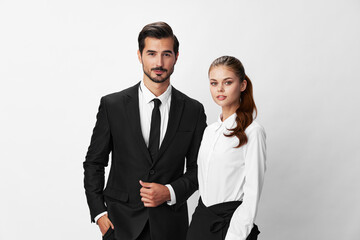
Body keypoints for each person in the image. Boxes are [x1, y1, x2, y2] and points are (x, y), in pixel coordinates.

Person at [83, 21, 207, 240]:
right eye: (151, 53)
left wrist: (169, 191)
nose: (159, 62)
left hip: (171, 227)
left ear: (176, 57)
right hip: (119, 225)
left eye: (166, 54)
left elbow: (202, 169)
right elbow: (94, 162)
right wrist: (99, 213)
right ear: (140, 56)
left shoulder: (193, 111)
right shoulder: (113, 105)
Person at [187, 56, 266, 240]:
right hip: (200, 222)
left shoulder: (253, 132)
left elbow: (252, 192)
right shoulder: (209, 131)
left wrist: (236, 235)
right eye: (214, 83)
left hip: (230, 226)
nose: (220, 89)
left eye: (227, 82)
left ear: (242, 85)